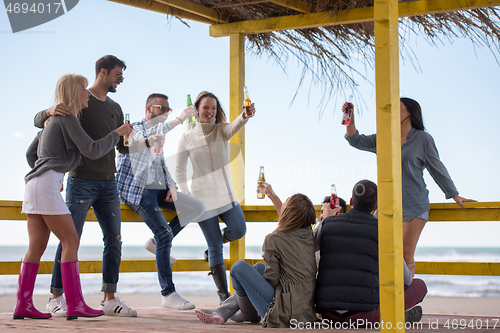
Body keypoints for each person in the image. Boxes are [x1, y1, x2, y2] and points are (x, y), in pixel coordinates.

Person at [15, 74, 132, 320]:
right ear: (74, 92)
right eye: (83, 89)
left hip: (36, 184)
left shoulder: (53, 120)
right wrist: (117, 133)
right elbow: (92, 149)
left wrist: (45, 169)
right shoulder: (68, 117)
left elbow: (30, 153)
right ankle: (75, 304)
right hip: (46, 184)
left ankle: (23, 305)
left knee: (36, 246)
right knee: (71, 241)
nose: (88, 93)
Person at [345, 98, 476, 276]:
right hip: (387, 206)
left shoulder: (423, 139)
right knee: (383, 255)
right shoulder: (384, 137)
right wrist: (350, 118)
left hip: (414, 205)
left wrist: (454, 194)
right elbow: (355, 140)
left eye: (398, 108)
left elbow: (437, 168)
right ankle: (386, 299)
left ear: (409, 113)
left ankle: (407, 301)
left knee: (406, 256)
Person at [116, 93, 205, 310]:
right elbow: (143, 141)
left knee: (197, 206)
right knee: (163, 232)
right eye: (162, 108)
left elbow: (160, 164)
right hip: (137, 189)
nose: (167, 112)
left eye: (169, 109)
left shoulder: (158, 135)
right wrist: (181, 118)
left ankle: (157, 243)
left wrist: (172, 185)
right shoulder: (135, 127)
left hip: (157, 187)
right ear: (149, 109)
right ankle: (168, 294)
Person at [195, 186, 317, 328]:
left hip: (283, 314)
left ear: (289, 212)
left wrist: (249, 286)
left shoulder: (274, 240)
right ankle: (227, 310)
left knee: (238, 268)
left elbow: (272, 280)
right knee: (259, 268)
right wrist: (272, 196)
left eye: (285, 202)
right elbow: (291, 220)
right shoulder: (310, 235)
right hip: (305, 313)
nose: (282, 204)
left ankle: (241, 313)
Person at [175, 91, 255, 303]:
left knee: (238, 229)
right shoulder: (187, 137)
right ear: (197, 110)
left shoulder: (221, 131)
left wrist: (245, 115)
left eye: (213, 108)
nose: (210, 112)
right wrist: (186, 192)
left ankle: (212, 249)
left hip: (226, 195)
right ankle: (224, 297)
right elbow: (180, 170)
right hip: (203, 200)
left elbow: (237, 124)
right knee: (215, 247)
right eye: (206, 108)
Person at [315, 180, 427, 326]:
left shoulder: (325, 225)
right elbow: (406, 279)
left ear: (351, 201)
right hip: (364, 317)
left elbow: (307, 249)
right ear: (376, 207)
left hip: (329, 315)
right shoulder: (383, 231)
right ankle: (394, 317)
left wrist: (326, 220)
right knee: (419, 286)